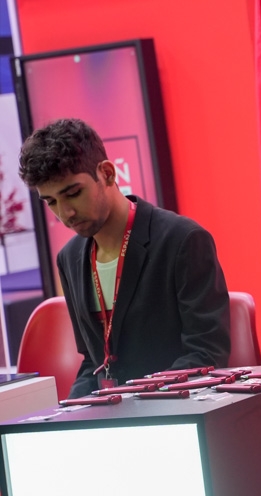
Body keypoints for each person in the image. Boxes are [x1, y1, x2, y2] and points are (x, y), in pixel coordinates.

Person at [18, 118, 230, 397]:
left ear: (107, 173)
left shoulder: (182, 240)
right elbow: (94, 362)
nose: (65, 213)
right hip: (115, 412)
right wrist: (68, 412)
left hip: (177, 407)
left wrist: (138, 402)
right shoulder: (69, 258)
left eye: (74, 193)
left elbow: (206, 352)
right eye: (51, 202)